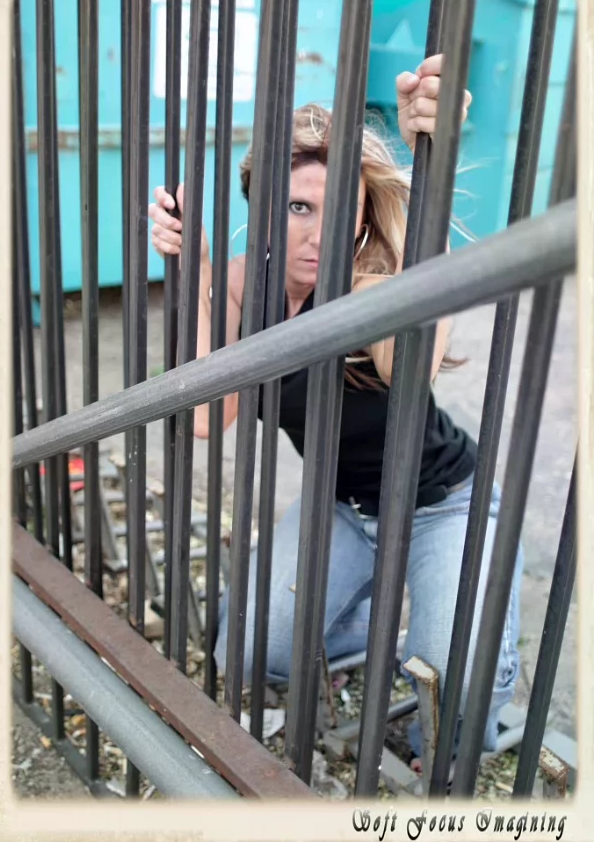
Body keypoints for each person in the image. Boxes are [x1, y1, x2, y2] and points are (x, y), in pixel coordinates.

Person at [148, 54, 523, 774]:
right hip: (343, 507)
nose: (319, 234)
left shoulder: (374, 288)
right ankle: (365, 625)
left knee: (450, 704)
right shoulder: (241, 287)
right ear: (261, 206)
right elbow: (206, 418)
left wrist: (432, 161)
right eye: (297, 207)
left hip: (444, 503)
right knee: (244, 650)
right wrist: (196, 268)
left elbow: (413, 356)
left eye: (338, 208)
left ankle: (466, 649)